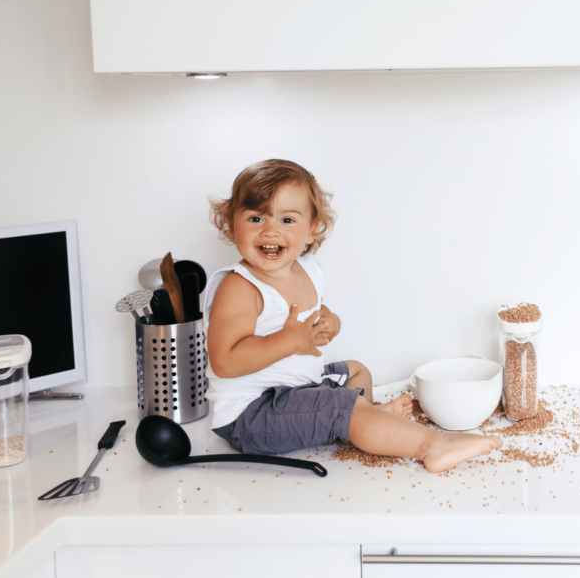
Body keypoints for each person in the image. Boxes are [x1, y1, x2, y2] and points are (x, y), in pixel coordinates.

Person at [204, 159, 502, 473]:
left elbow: (318, 317)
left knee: (357, 372)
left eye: (287, 220)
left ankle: (372, 418)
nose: (270, 231)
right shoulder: (238, 287)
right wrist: (290, 341)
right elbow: (225, 362)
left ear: (312, 228)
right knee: (340, 404)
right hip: (252, 414)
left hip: (295, 391)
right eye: (255, 218)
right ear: (230, 225)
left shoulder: (309, 272)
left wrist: (330, 323)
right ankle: (431, 446)